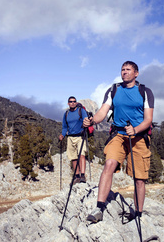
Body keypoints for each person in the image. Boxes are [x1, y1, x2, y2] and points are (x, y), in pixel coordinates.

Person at [83, 61, 154, 222]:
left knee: (139, 178)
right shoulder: (114, 90)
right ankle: (99, 208)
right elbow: (103, 111)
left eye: (128, 70)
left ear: (136, 73)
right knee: (109, 164)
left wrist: (135, 130)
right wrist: (92, 121)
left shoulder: (145, 91)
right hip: (118, 134)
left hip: (139, 137)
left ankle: (138, 213)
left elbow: (148, 119)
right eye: (122, 70)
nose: (124, 72)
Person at [59, 96, 88, 184]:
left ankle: (82, 175)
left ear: (76, 102)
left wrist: (85, 125)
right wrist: (62, 135)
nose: (72, 103)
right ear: (68, 103)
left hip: (80, 137)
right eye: (70, 101)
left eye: (74, 101)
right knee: (73, 158)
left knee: (81, 155)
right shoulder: (66, 114)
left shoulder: (81, 111)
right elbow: (64, 127)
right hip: (70, 137)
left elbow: (86, 120)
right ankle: (77, 176)